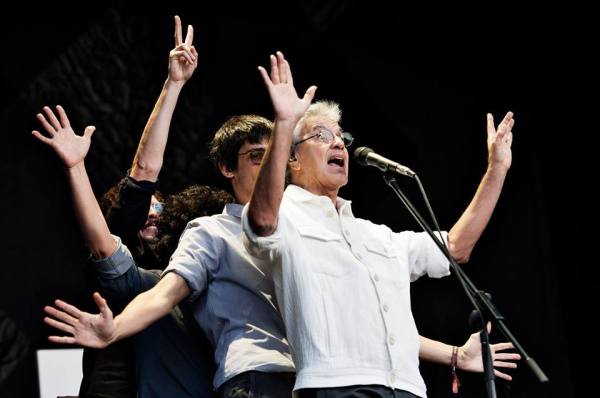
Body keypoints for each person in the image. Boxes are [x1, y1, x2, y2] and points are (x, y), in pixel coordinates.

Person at [242, 51, 519, 397]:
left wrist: (496, 170)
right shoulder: (287, 216)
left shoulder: (376, 236)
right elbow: (263, 221)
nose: (339, 142)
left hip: (405, 386)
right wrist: (284, 124)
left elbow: (456, 247)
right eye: (322, 136)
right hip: (337, 386)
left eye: (342, 136)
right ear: (293, 158)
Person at [42, 113, 299, 397]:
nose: (153, 215)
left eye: (160, 210)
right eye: (256, 156)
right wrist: (76, 167)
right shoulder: (151, 282)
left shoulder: (225, 294)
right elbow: (113, 232)